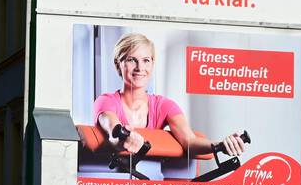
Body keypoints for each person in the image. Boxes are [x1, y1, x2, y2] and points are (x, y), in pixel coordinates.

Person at [94, 32, 248, 161]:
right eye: (131, 60)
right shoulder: (105, 101)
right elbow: (113, 131)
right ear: (118, 64)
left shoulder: (164, 106)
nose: (140, 68)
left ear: (152, 65)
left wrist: (221, 145)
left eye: (146, 60)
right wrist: (122, 139)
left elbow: (189, 141)